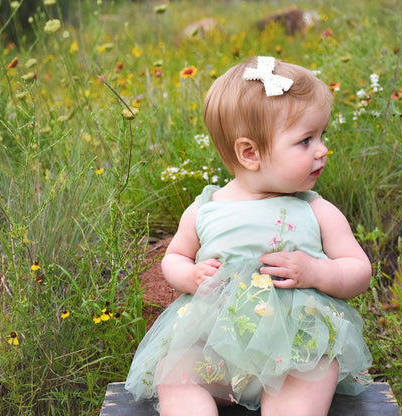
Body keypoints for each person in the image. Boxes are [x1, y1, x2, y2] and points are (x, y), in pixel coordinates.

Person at [125, 56, 372, 416]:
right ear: (250, 153)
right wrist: (190, 276)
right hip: (216, 350)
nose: (322, 150)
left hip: (295, 352)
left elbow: (358, 269)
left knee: (313, 371)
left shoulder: (315, 210)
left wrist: (317, 272)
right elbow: (173, 257)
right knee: (174, 373)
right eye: (306, 140)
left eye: (322, 135)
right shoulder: (204, 209)